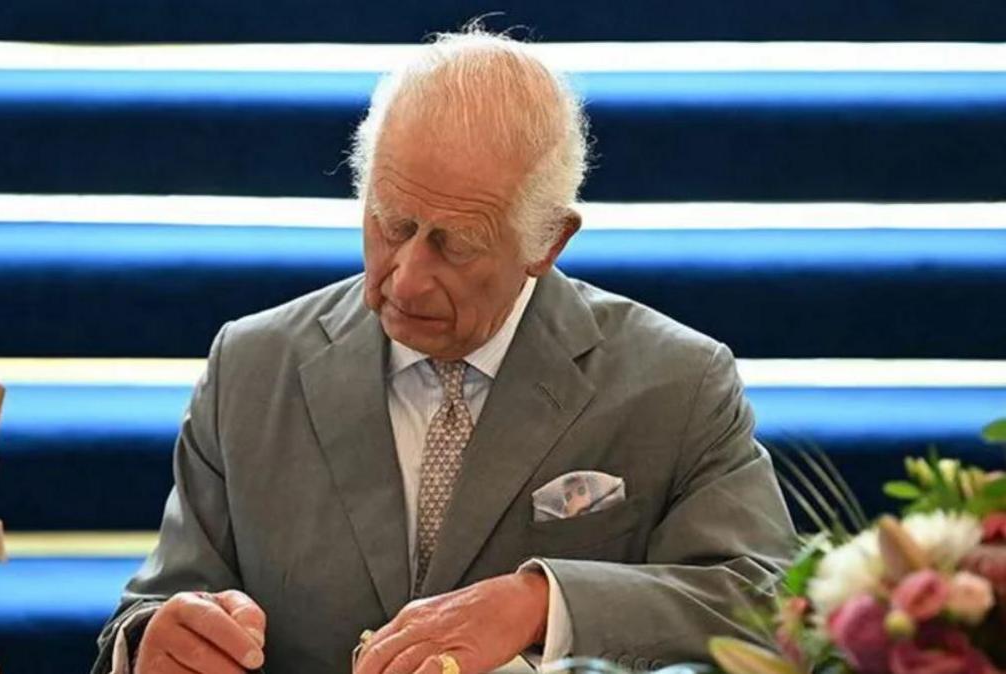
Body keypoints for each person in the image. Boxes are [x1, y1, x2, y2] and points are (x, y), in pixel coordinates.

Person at [92, 28, 795, 674]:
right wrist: (152, 642)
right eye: (391, 224)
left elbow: (770, 609)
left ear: (547, 242)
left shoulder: (677, 382)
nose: (406, 277)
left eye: (454, 244)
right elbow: (159, 602)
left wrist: (544, 603)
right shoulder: (253, 366)